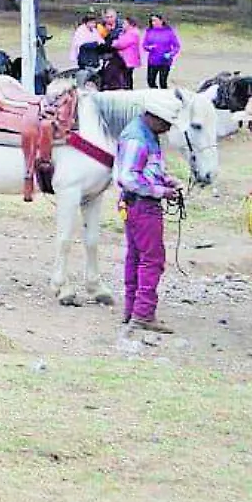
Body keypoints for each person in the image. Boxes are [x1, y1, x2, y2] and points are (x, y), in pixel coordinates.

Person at [114, 91, 184, 334]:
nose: (166, 128)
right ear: (153, 117)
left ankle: (132, 309)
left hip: (133, 205)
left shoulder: (145, 133)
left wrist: (165, 179)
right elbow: (128, 177)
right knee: (152, 258)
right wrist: (160, 192)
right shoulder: (138, 138)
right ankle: (143, 313)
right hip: (143, 206)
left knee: (136, 256)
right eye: (165, 122)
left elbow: (145, 169)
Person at [142, 13, 181, 89]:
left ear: (161, 21)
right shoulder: (149, 31)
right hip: (153, 60)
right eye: (152, 21)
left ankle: (164, 96)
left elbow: (176, 46)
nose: (153, 23)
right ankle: (155, 94)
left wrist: (171, 54)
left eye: (155, 21)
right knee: (150, 81)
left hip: (165, 61)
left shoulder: (169, 32)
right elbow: (144, 45)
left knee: (162, 81)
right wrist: (149, 47)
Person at [110, 15, 143, 90]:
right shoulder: (126, 32)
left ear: (130, 24)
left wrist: (114, 43)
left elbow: (121, 44)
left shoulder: (132, 33)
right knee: (127, 76)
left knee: (126, 77)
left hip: (128, 59)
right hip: (127, 59)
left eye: (125, 23)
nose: (123, 25)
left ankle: (128, 90)